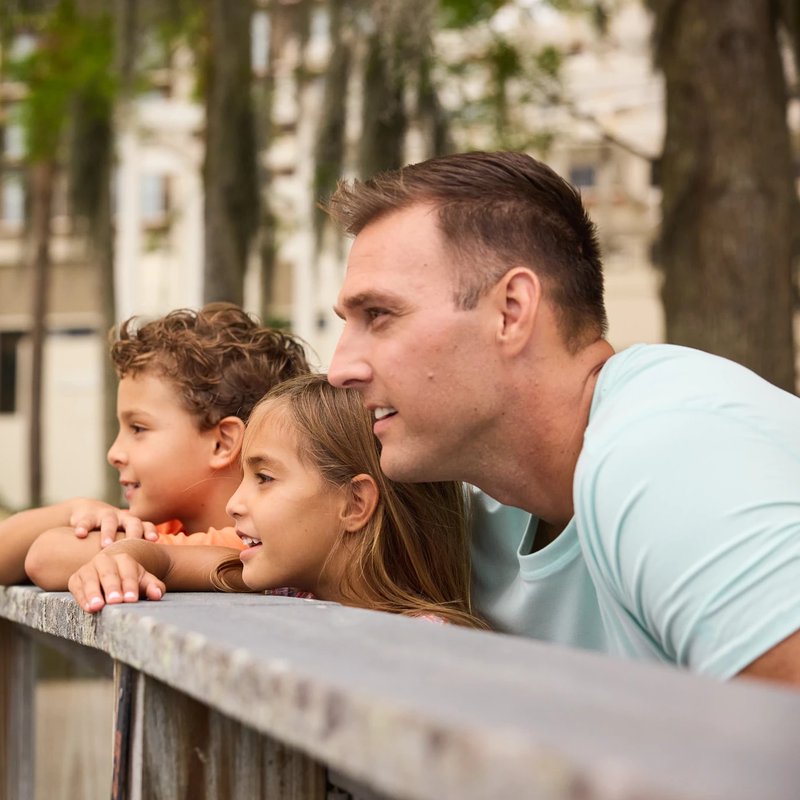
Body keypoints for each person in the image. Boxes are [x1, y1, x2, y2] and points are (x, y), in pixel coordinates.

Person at [324, 150, 800, 684]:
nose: (340, 369)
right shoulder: (481, 511)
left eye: (379, 316)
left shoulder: (668, 455)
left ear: (512, 311)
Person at [64, 373, 485, 628]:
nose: (234, 504)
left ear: (355, 503)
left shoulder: (427, 643)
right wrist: (123, 558)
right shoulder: (288, 588)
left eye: (264, 477)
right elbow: (168, 561)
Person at [0, 302, 311, 586]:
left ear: (222, 443)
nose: (114, 453)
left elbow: (46, 558)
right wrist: (75, 509)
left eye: (138, 428)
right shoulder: (164, 527)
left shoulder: (257, 545)